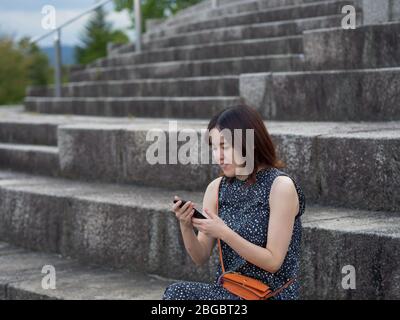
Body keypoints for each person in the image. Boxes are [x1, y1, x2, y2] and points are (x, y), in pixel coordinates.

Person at [163, 104, 306, 300]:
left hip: (270, 294)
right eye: (214, 147)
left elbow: (273, 261)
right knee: (176, 293)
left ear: (250, 142)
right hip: (230, 291)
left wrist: (224, 232)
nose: (218, 156)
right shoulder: (216, 188)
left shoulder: (280, 187)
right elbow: (200, 256)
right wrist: (186, 225)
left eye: (225, 146)